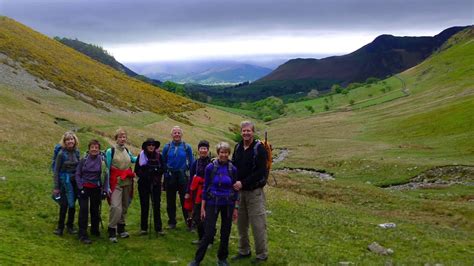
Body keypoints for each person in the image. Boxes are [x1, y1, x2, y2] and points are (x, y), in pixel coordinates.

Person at [189, 142, 239, 266]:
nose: (223, 155)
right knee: (209, 232)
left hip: (228, 203)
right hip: (212, 202)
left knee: (225, 232)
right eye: (221, 152)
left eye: (226, 152)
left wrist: (235, 208)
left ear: (229, 153)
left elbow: (235, 189)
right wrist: (202, 207)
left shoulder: (233, 169)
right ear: (218, 153)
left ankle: (222, 258)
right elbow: (206, 187)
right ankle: (197, 260)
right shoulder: (210, 168)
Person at [231, 121, 269, 263]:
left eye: (249, 131)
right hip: (240, 193)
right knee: (241, 224)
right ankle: (244, 251)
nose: (246, 133)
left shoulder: (259, 149)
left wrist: (243, 182)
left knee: (258, 224)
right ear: (241, 132)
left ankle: (262, 254)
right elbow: (234, 166)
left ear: (253, 132)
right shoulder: (238, 147)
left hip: (254, 192)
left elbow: (261, 172)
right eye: (244, 131)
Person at [104, 128, 137, 243]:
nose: (122, 139)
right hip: (116, 182)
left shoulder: (127, 150)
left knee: (125, 205)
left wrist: (144, 155)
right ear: (116, 138)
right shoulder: (110, 151)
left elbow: (133, 160)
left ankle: (121, 228)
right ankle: (112, 228)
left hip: (127, 182)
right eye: (120, 137)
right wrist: (106, 185)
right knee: (116, 206)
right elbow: (107, 168)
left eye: (124, 137)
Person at [162, 126, 194, 229]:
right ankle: (172, 222)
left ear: (182, 134)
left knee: (185, 200)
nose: (177, 134)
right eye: (175, 133)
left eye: (179, 133)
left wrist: (190, 172)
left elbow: (192, 162)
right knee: (170, 200)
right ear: (171, 135)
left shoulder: (186, 147)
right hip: (170, 176)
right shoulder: (167, 147)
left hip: (182, 176)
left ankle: (189, 222)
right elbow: (163, 161)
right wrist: (165, 172)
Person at [75, 139, 105, 244]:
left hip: (96, 188)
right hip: (84, 188)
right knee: (84, 210)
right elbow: (77, 174)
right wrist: (80, 187)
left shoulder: (102, 161)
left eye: (96, 147)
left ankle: (95, 230)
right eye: (92, 147)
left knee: (95, 210)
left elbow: (105, 175)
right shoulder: (83, 160)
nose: (94, 149)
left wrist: (104, 190)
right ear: (89, 149)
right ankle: (82, 234)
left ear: (99, 149)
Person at [134, 138, 165, 236]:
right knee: (144, 205)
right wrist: (146, 174)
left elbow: (163, 168)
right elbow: (137, 170)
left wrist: (155, 171)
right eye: (149, 145)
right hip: (143, 184)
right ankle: (144, 228)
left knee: (156, 206)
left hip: (156, 184)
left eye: (153, 145)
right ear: (146, 146)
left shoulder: (159, 156)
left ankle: (158, 228)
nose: (151, 146)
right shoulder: (141, 156)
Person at [52, 131, 80, 236]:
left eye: (71, 139)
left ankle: (70, 226)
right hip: (64, 182)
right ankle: (60, 228)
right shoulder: (61, 154)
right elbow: (56, 171)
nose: (70, 141)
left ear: (75, 140)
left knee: (72, 205)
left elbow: (79, 167)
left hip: (74, 182)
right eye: (67, 140)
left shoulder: (77, 152)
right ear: (64, 142)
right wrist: (56, 187)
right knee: (64, 205)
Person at [185, 140, 212, 244]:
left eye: (205, 148)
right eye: (201, 148)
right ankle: (201, 238)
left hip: (209, 193)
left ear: (208, 150)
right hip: (197, 192)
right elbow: (191, 178)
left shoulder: (212, 163)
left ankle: (209, 240)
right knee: (197, 215)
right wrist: (188, 192)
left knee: (208, 216)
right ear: (198, 150)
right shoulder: (195, 163)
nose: (203, 150)